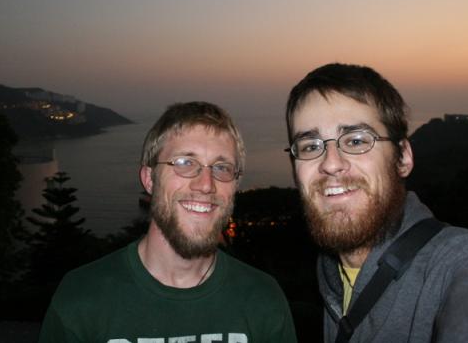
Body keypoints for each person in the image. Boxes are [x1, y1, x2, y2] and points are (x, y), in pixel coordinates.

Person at [285, 63, 468, 342]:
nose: (330, 163)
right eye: (311, 146)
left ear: (403, 158)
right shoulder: (330, 275)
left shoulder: (459, 260)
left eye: (355, 140)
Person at [39, 101, 297, 342]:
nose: (206, 185)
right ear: (149, 179)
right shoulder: (81, 299)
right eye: (185, 162)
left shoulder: (263, 300)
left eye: (222, 168)